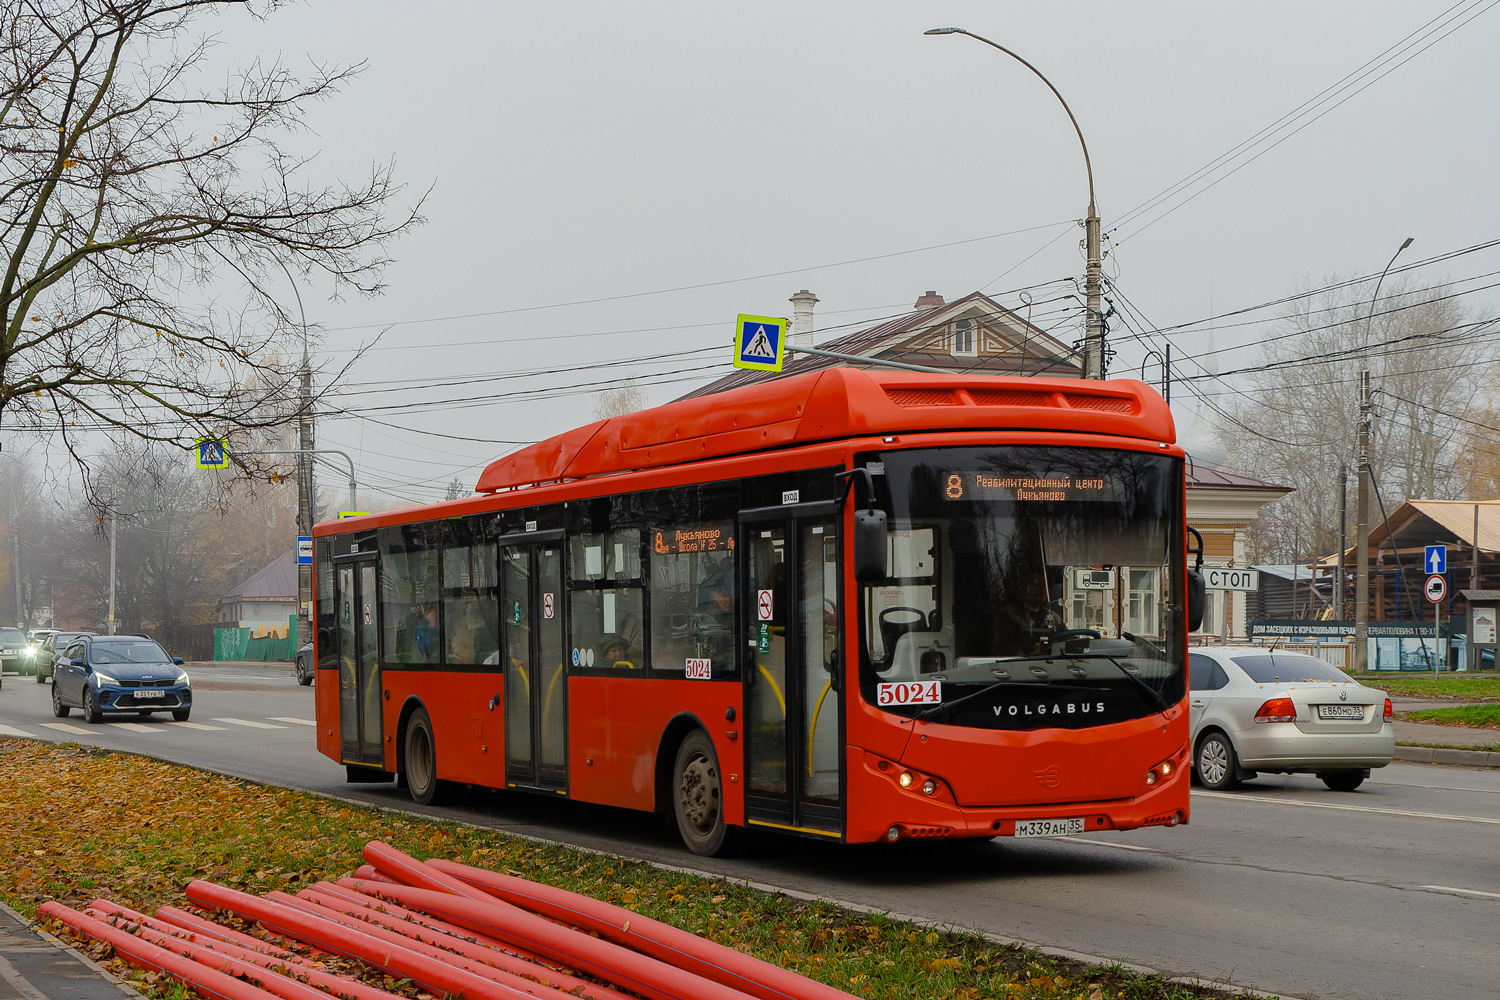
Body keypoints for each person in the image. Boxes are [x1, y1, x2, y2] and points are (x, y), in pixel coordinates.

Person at [994, 563, 1062, 656]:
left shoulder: (1053, 618)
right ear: (1021, 587)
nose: (1036, 590)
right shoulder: (1006, 617)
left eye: (1041, 586)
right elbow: (1003, 649)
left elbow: (1070, 642)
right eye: (1032, 586)